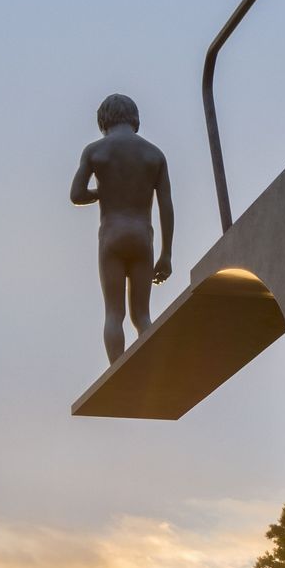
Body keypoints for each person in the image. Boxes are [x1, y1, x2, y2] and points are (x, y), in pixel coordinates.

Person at [69, 93, 174, 365]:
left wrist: (101, 192)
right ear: (134, 118)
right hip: (142, 237)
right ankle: (149, 369)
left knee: (114, 314)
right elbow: (166, 207)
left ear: (104, 121)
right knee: (142, 316)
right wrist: (166, 254)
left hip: (112, 237)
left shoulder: (95, 151)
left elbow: (77, 194)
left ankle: (117, 369)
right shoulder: (155, 155)